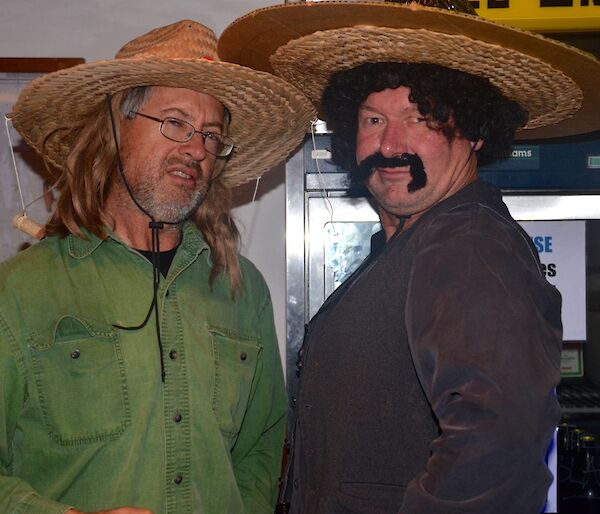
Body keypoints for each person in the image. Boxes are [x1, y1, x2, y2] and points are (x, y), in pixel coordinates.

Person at [218, 1, 600, 512]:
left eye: (422, 119)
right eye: (374, 119)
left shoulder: (468, 245)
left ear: (475, 131)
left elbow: (495, 454)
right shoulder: (410, 244)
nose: (391, 144)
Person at [0, 19, 314, 514]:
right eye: (175, 122)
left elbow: (262, 446)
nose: (196, 149)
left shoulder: (242, 289)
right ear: (114, 128)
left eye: (212, 135)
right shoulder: (18, 293)